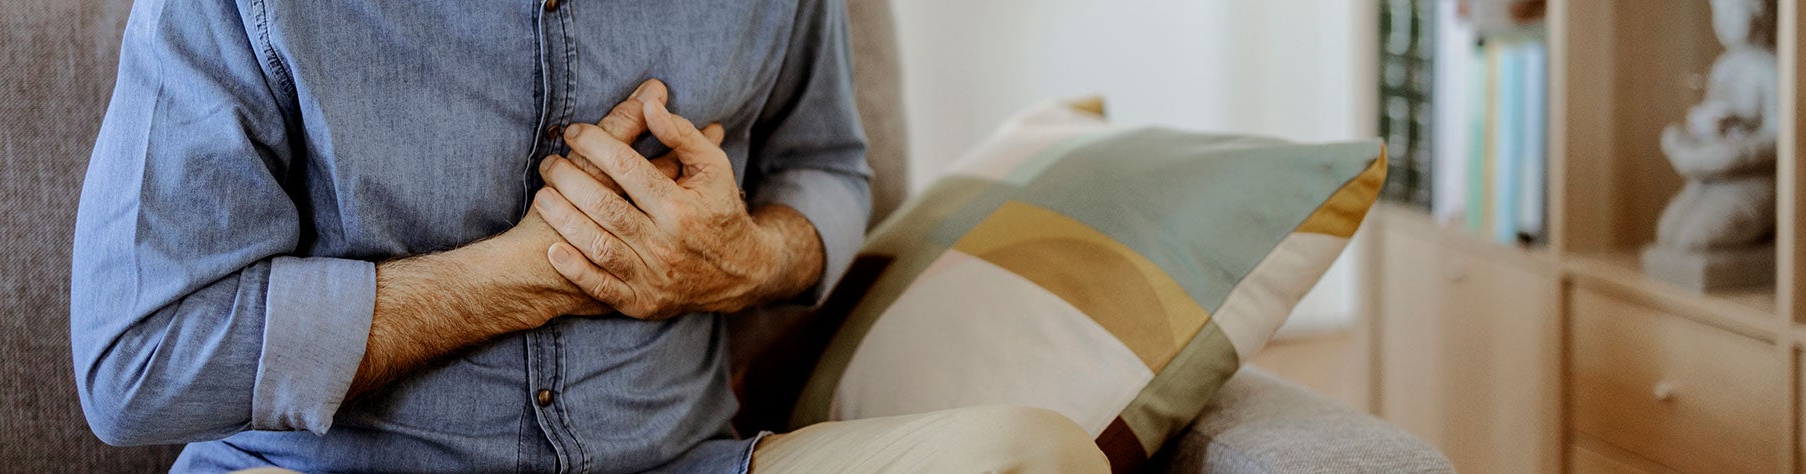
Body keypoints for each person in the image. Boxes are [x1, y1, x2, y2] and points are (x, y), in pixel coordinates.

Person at [68, 0, 1106, 472]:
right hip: (328, 470)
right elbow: (137, 362)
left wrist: (747, 260)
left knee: (1031, 456)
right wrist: (528, 277)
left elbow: (827, 170)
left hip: (678, 461)